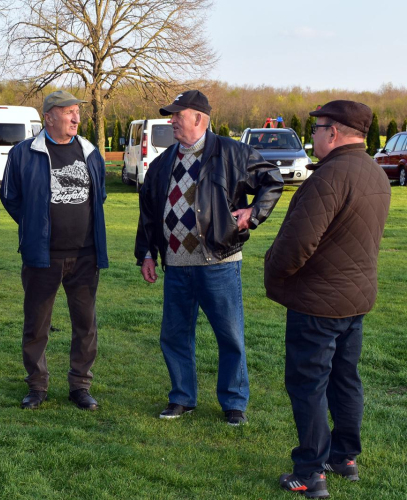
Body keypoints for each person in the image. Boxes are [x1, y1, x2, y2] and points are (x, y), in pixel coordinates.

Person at [134, 90, 283, 425]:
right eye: (171, 115)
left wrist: (252, 213)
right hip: (176, 267)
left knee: (229, 335)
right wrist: (146, 253)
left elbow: (272, 180)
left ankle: (234, 403)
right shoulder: (162, 163)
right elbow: (148, 212)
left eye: (177, 115)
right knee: (174, 335)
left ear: (198, 118)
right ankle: (182, 398)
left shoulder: (231, 152)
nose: (171, 121)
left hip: (218, 263)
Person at [265, 101, 390, 497]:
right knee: (344, 378)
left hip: (318, 302)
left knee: (309, 384)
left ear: (334, 132)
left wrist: (275, 273)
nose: (313, 134)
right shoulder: (375, 172)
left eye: (317, 128)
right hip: (354, 299)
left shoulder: (329, 177)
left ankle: (311, 471)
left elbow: (297, 244)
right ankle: (344, 457)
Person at [1, 90, 108, 411]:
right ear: (48, 117)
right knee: (36, 324)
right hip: (42, 256)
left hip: (85, 256)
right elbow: (11, 197)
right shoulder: (24, 153)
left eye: (77, 112)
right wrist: (36, 225)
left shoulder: (89, 151)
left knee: (85, 324)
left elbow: (98, 195)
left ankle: (80, 385)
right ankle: (36, 386)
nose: (76, 118)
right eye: (68, 112)